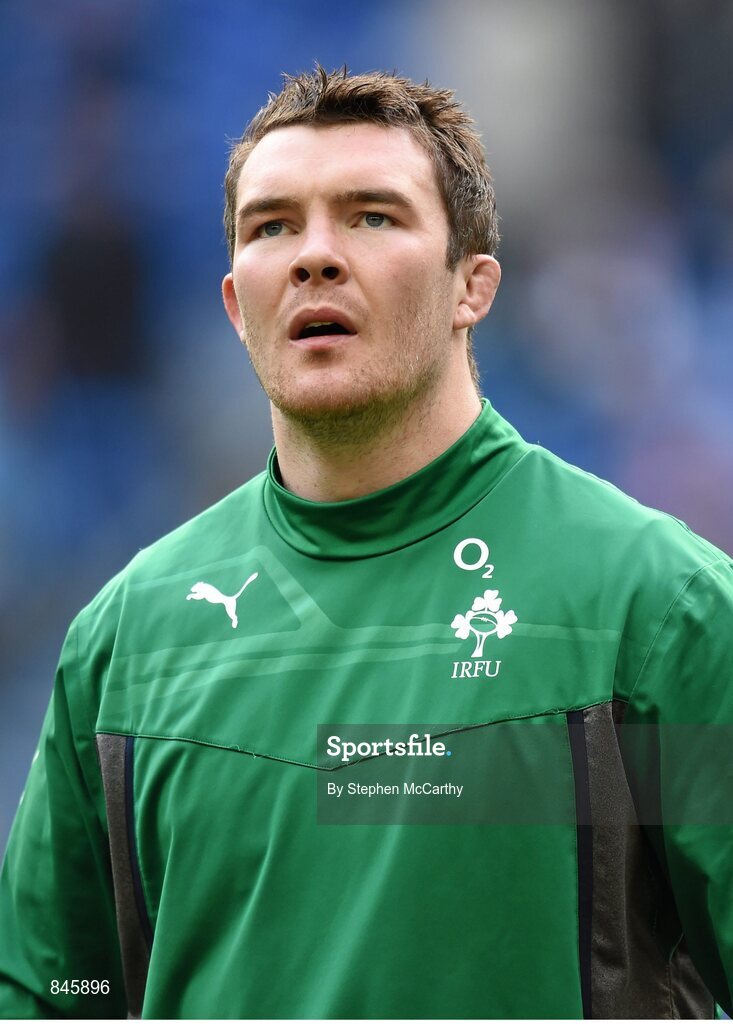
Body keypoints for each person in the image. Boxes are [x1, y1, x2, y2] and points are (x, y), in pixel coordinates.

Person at [1, 65, 732, 1020]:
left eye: (371, 216)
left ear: (471, 286)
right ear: (235, 302)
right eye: (272, 226)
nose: (313, 256)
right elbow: (60, 993)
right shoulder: (126, 641)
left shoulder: (653, 607)